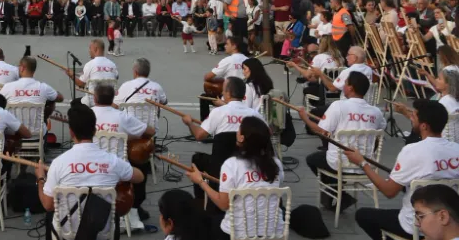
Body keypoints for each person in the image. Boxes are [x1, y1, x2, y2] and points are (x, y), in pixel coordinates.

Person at [351, 100, 459, 240]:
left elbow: (389, 191)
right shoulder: (456, 149)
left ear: (424, 126)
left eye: (413, 116)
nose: (410, 118)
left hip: (415, 225)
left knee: (363, 215)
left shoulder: (412, 151)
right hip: (451, 222)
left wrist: (362, 162)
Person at [36, 102, 144, 237]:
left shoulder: (59, 163)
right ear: (94, 131)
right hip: (101, 232)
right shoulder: (112, 161)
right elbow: (139, 177)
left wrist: (40, 178)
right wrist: (117, 177)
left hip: (67, 233)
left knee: (51, 213)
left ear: (71, 132)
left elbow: (48, 205)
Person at [299, 71, 386, 210]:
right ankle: (338, 193)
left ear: (350, 88)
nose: (343, 86)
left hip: (339, 163)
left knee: (312, 159)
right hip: (365, 163)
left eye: (345, 83)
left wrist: (305, 118)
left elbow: (322, 132)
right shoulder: (376, 112)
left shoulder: (338, 106)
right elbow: (380, 132)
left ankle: (339, 194)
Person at [187, 115, 283, 240]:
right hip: (274, 232)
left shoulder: (232, 164)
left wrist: (200, 181)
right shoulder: (277, 164)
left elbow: (223, 205)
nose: (236, 131)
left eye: (239, 129)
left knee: (206, 222)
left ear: (242, 138)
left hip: (239, 233)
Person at [182, 77, 262, 199]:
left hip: (220, 168)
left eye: (224, 90)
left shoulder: (219, 112)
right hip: (249, 165)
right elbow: (268, 134)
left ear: (228, 93)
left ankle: (201, 201)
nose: (222, 93)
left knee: (197, 159)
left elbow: (199, 136)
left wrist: (189, 123)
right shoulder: (254, 114)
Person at [92, 84, 156, 231]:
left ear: (94, 98)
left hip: (92, 165)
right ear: (113, 98)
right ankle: (133, 209)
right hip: (118, 168)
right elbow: (150, 131)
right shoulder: (122, 117)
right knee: (141, 165)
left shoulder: (87, 115)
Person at [201, 37, 248, 119]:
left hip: (229, 97)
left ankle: (204, 123)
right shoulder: (248, 60)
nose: (225, 46)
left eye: (227, 44)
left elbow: (207, 77)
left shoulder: (227, 60)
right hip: (245, 96)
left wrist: (219, 81)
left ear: (234, 46)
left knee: (203, 97)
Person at [0, 56, 64, 107]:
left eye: (19, 66)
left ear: (22, 68)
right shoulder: (44, 88)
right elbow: (60, 98)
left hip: (14, 125)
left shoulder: (8, 87)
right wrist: (55, 92)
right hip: (37, 125)